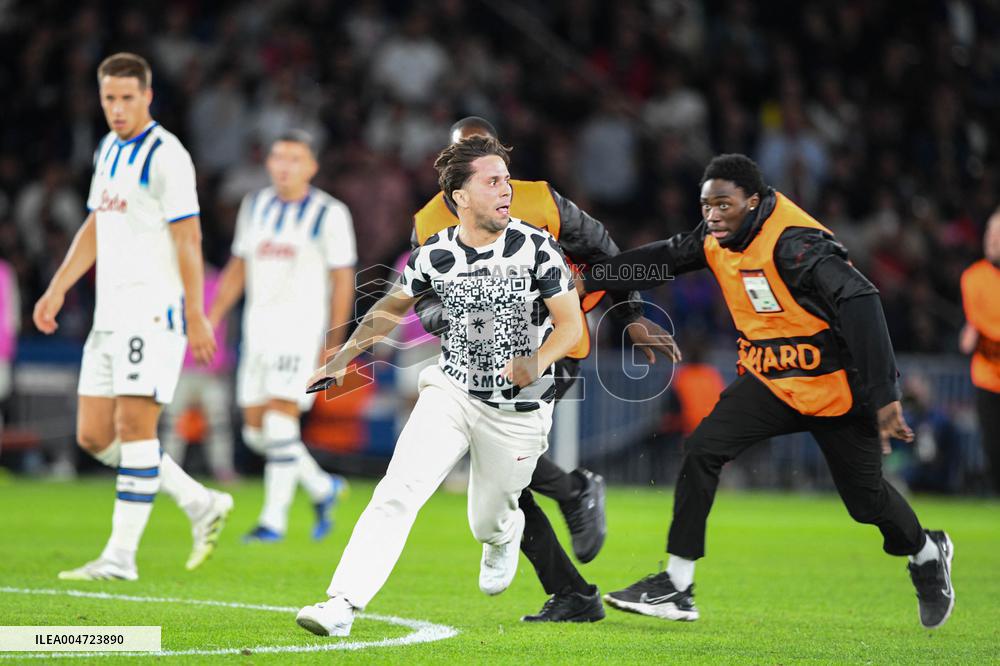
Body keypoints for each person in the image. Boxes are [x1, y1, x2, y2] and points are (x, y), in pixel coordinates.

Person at [583, 154, 955, 629]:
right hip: (772, 382)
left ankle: (927, 552)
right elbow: (664, 259)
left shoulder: (795, 245)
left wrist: (885, 394)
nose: (712, 215)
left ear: (754, 202)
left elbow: (861, 297)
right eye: (705, 205)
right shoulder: (716, 235)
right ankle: (677, 585)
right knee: (702, 448)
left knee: (867, 503)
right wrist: (591, 278)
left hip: (836, 390)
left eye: (724, 204)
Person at [295, 135, 584, 637]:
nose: (506, 191)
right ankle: (341, 603)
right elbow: (388, 309)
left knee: (487, 521)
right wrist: (343, 358)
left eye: (506, 181)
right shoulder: (434, 253)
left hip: (518, 410)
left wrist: (537, 361)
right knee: (398, 490)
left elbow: (571, 326)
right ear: (461, 196)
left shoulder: (538, 248)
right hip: (452, 392)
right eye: (492, 181)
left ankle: (503, 533)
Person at [410, 116, 679, 621]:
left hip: (551, 347)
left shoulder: (536, 199)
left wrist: (633, 314)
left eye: (486, 152)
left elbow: (603, 249)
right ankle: (573, 581)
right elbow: (424, 296)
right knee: (501, 471)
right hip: (481, 358)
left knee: (502, 460)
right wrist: (453, 321)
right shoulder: (427, 221)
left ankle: (574, 500)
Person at [32, 52, 233, 580]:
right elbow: (97, 224)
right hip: (109, 315)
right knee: (94, 437)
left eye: (127, 98)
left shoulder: (168, 155)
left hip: (153, 312)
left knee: (135, 428)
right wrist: (57, 286)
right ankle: (198, 501)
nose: (117, 108)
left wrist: (196, 311)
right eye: (108, 99)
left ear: (147, 96)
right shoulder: (107, 149)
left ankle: (120, 557)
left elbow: (189, 237)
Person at [210, 130, 355, 542]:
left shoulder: (330, 213)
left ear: (311, 166)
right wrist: (213, 316)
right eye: (278, 157)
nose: (285, 166)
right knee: (256, 433)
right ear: (268, 163)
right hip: (258, 332)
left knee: (278, 420)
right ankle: (323, 487)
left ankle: (272, 521)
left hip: (300, 332)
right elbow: (238, 266)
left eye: (295, 158)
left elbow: (343, 280)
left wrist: (334, 342)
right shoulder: (254, 206)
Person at [161, 263, 238, 483]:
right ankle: (168, 472)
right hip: (181, 368)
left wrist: (224, 359)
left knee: (218, 425)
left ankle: (224, 471)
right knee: (173, 425)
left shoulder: (219, 283)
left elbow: (227, 325)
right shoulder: (174, 282)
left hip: (210, 368)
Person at [960, 208, 1000, 493]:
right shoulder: (973, 278)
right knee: (993, 447)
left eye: (999, 235)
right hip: (988, 375)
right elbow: (981, 322)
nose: (992, 240)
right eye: (990, 232)